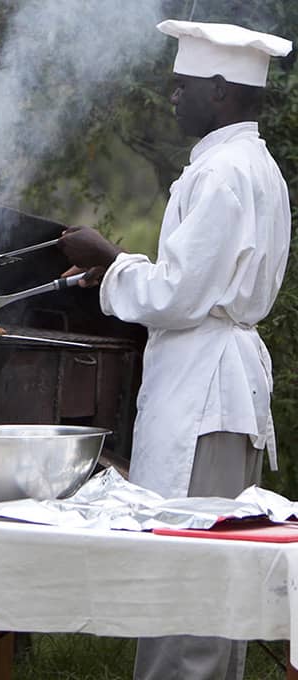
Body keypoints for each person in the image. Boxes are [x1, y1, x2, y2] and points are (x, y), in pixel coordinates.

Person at [58, 20, 293, 680]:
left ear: (219, 92)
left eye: (181, 85)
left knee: (188, 580)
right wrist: (120, 272)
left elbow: (179, 294)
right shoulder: (253, 167)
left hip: (206, 394)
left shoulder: (224, 173)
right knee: (211, 577)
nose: (171, 96)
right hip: (216, 388)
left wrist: (111, 264)